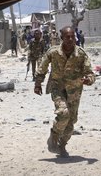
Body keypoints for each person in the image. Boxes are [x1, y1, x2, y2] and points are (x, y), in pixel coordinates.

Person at [34, 26, 96, 157]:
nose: (70, 39)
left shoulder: (80, 54)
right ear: (61, 38)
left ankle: (62, 145)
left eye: (72, 36)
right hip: (58, 88)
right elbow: (42, 67)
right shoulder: (53, 52)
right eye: (67, 36)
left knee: (71, 122)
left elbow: (90, 73)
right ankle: (54, 136)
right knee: (63, 113)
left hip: (74, 91)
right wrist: (38, 84)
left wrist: (88, 79)